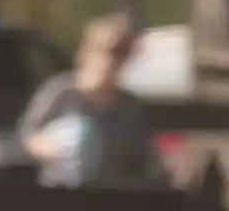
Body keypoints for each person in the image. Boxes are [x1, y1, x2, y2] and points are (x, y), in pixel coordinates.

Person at [21, 10, 159, 187]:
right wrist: (44, 147)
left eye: (120, 54)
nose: (109, 61)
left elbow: (142, 156)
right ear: (87, 52)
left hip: (110, 197)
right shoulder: (61, 91)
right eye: (104, 52)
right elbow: (28, 133)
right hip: (60, 190)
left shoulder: (128, 106)